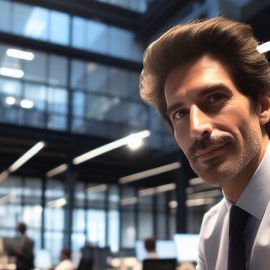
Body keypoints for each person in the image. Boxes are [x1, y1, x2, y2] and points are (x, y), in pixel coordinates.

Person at [139, 17, 270, 270]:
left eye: (215, 97)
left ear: (263, 106)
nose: (197, 128)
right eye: (180, 113)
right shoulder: (212, 228)